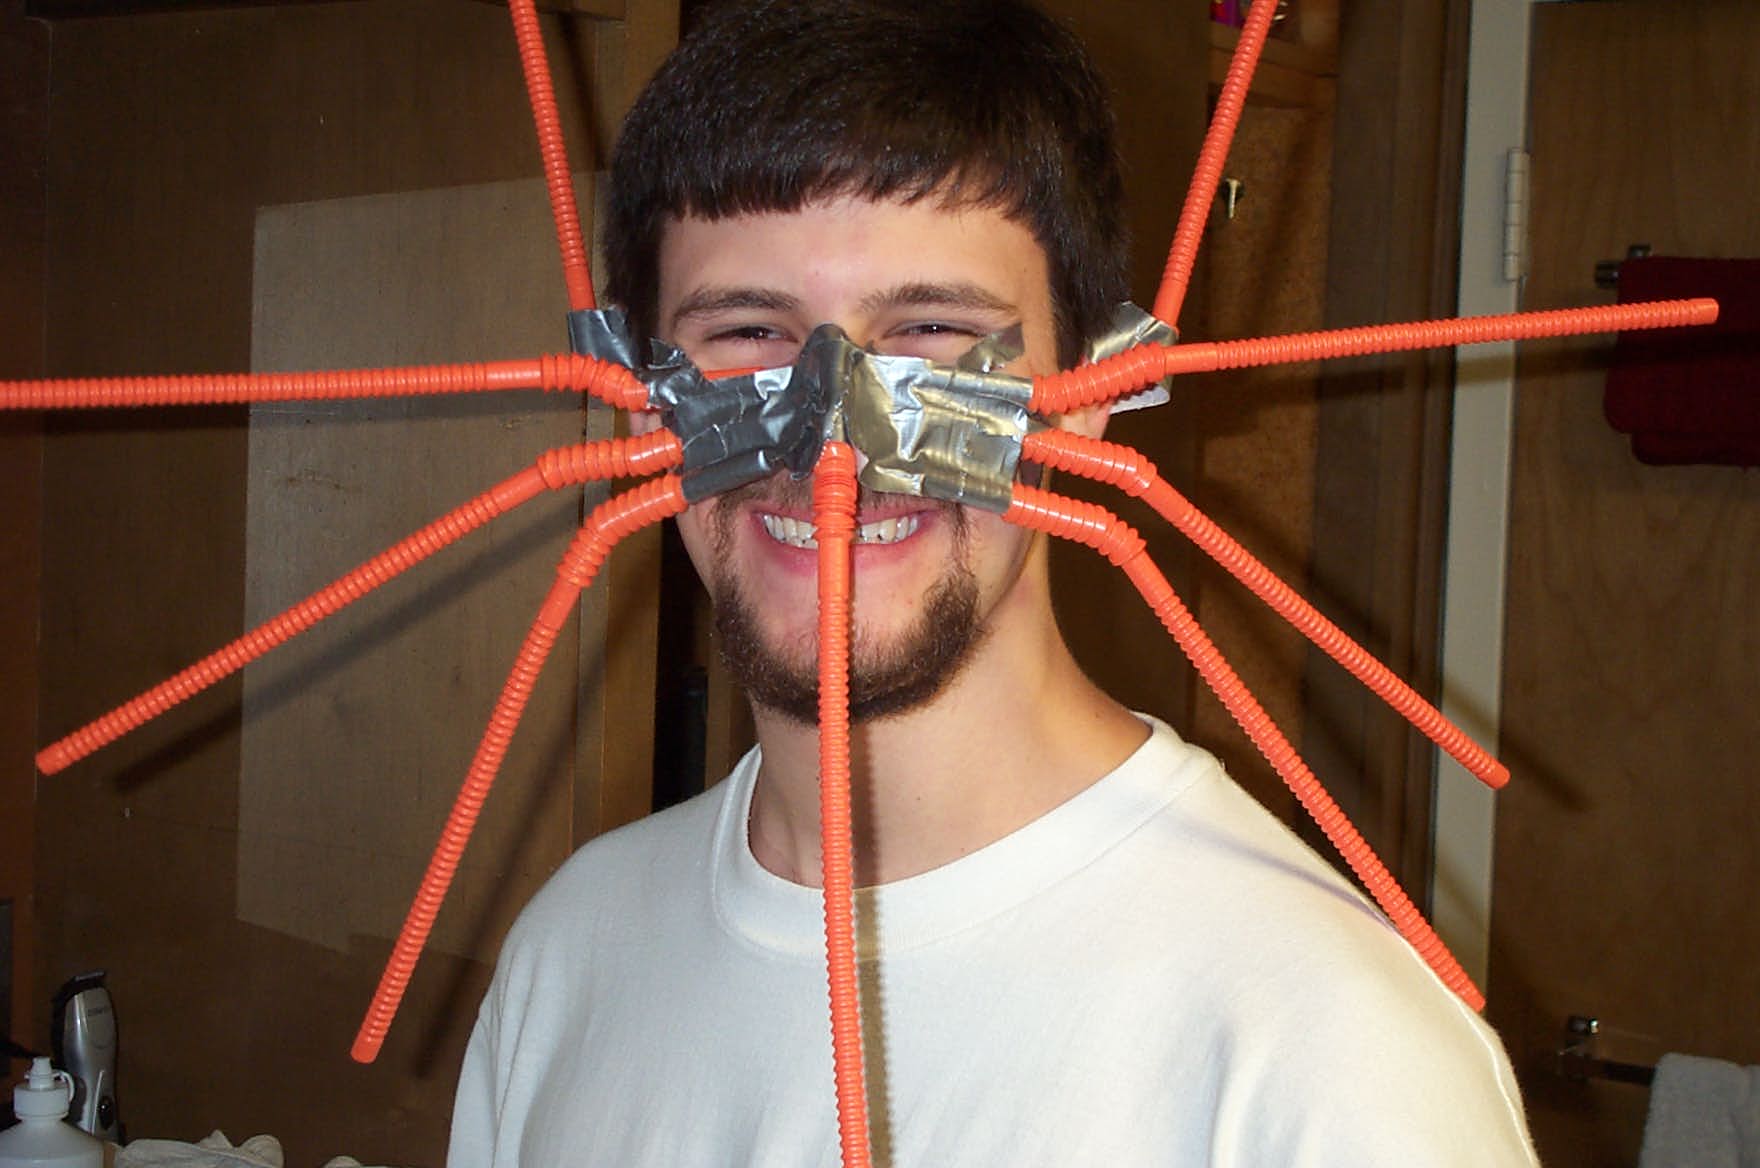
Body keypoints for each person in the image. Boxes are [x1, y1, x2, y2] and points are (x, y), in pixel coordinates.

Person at [448, 1, 1538, 1163]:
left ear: (1096, 393)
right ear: (635, 396)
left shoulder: (1332, 1061)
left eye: (929, 329)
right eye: (749, 333)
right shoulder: (569, 953)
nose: (830, 439)